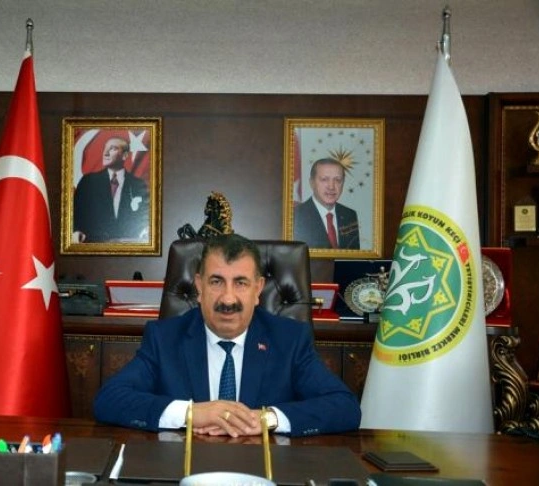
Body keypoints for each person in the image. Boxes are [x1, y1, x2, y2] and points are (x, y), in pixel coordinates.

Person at [93, 234, 361, 437]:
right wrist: (191, 413)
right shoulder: (164, 338)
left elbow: (345, 407)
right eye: (216, 281)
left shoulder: (289, 340)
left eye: (241, 283)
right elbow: (109, 400)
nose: (228, 299)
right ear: (199, 286)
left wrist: (266, 419)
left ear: (258, 289)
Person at [72, 136, 149, 243]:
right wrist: (75, 232)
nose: (106, 153)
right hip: (93, 247)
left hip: (128, 248)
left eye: (113, 148)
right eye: (105, 148)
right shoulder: (88, 181)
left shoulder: (137, 184)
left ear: (125, 155)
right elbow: (75, 214)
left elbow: (144, 219)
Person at [293, 158, 360, 249]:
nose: (331, 187)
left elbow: (353, 255)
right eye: (324, 179)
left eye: (338, 180)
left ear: (343, 183)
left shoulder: (349, 215)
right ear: (312, 183)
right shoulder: (296, 215)